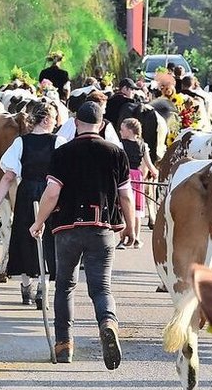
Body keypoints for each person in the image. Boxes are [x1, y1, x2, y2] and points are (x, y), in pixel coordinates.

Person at [30, 101, 135, 367]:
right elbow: (126, 196)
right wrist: (131, 227)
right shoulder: (116, 153)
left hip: (67, 229)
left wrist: (38, 222)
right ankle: (108, 322)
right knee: (101, 287)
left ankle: (64, 346)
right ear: (101, 125)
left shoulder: (63, 152)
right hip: (102, 230)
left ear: (76, 124)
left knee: (65, 286)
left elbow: (52, 193)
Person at [0, 99, 58, 307]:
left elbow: (8, 177)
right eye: (54, 119)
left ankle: (27, 286)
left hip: (27, 192)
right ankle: (42, 289)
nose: (55, 123)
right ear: (46, 120)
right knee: (48, 238)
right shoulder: (59, 142)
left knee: (24, 237)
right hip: (49, 192)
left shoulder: (21, 142)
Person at [118, 117, 156, 247]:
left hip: (125, 176)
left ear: (129, 130)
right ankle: (136, 238)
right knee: (136, 210)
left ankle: (125, 239)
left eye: (122, 129)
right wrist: (155, 172)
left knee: (124, 208)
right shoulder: (143, 145)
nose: (120, 131)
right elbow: (149, 164)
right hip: (138, 177)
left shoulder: (121, 144)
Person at [55, 91, 121, 147]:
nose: (104, 112)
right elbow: (115, 146)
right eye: (103, 109)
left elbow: (58, 142)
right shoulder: (72, 122)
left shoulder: (72, 122)